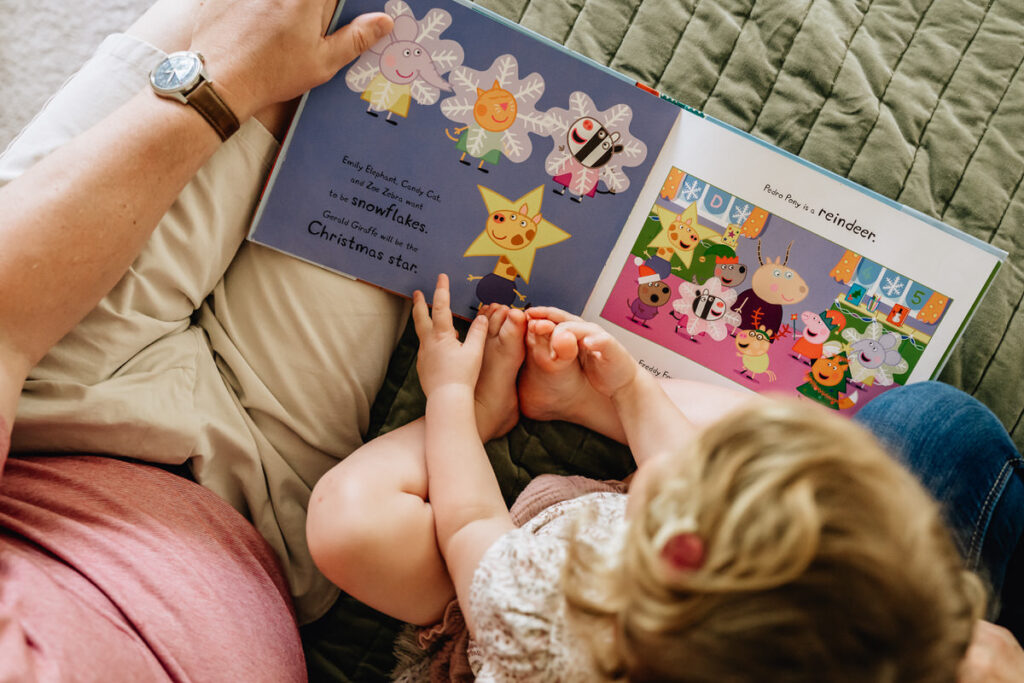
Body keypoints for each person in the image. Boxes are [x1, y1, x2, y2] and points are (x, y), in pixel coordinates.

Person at [307, 274, 1023, 681]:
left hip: (510, 590)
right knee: (934, 430)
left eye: (708, 476)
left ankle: (515, 411)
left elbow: (471, 522)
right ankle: (596, 408)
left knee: (345, 518)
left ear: (677, 545)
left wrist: (453, 401)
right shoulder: (891, 649)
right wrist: (631, 391)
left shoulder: (535, 620)